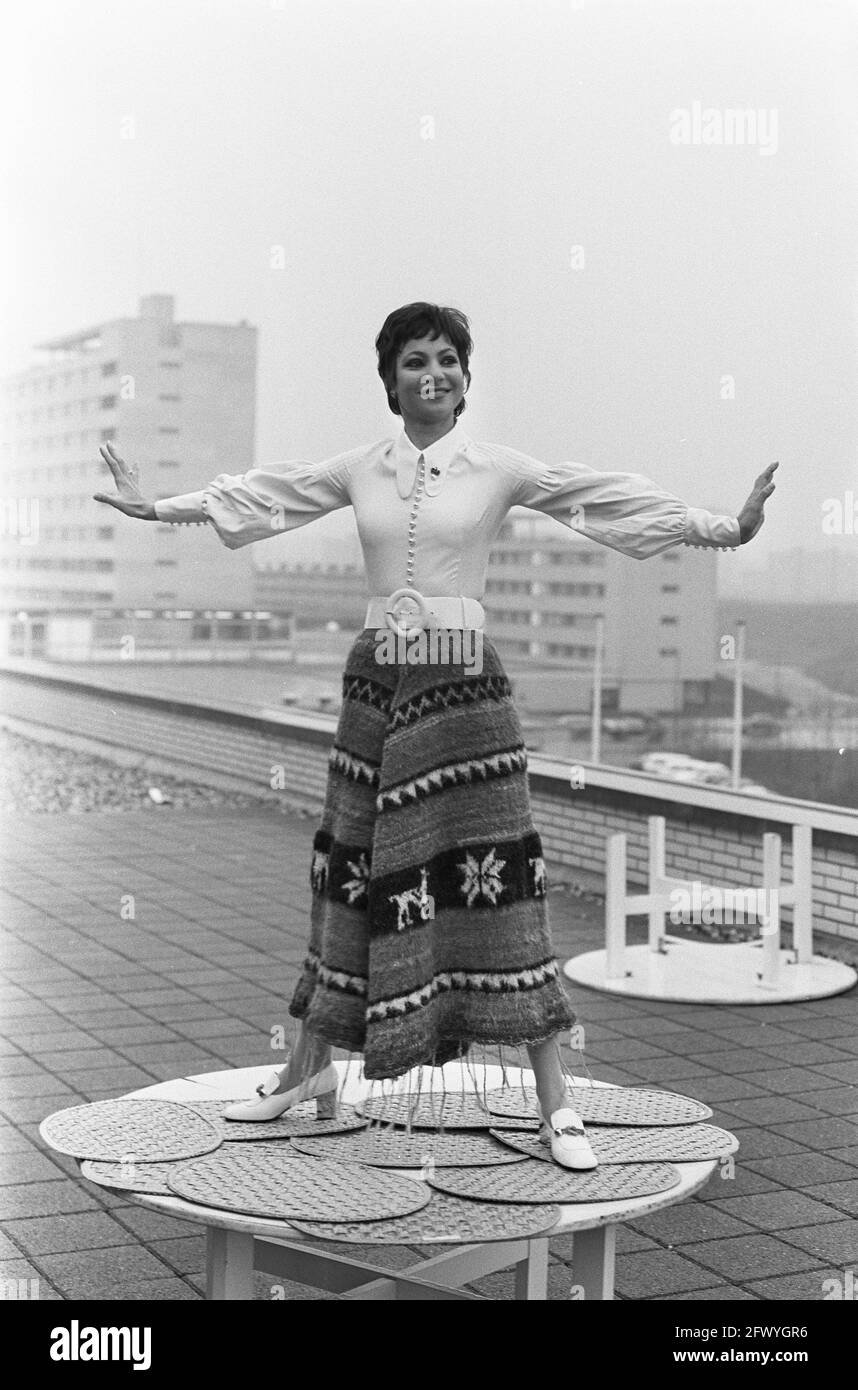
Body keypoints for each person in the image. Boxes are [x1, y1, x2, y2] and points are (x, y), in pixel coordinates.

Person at [94, 301, 777, 1169]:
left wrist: (723, 527)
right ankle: (309, 1069)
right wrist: (155, 509)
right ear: (391, 380)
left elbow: (597, 498)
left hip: (465, 693)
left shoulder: (497, 468)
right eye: (416, 359)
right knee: (351, 870)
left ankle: (556, 1104)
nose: (435, 373)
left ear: (465, 375)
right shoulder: (361, 468)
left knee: (500, 877)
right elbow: (265, 495)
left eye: (449, 358)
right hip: (377, 687)